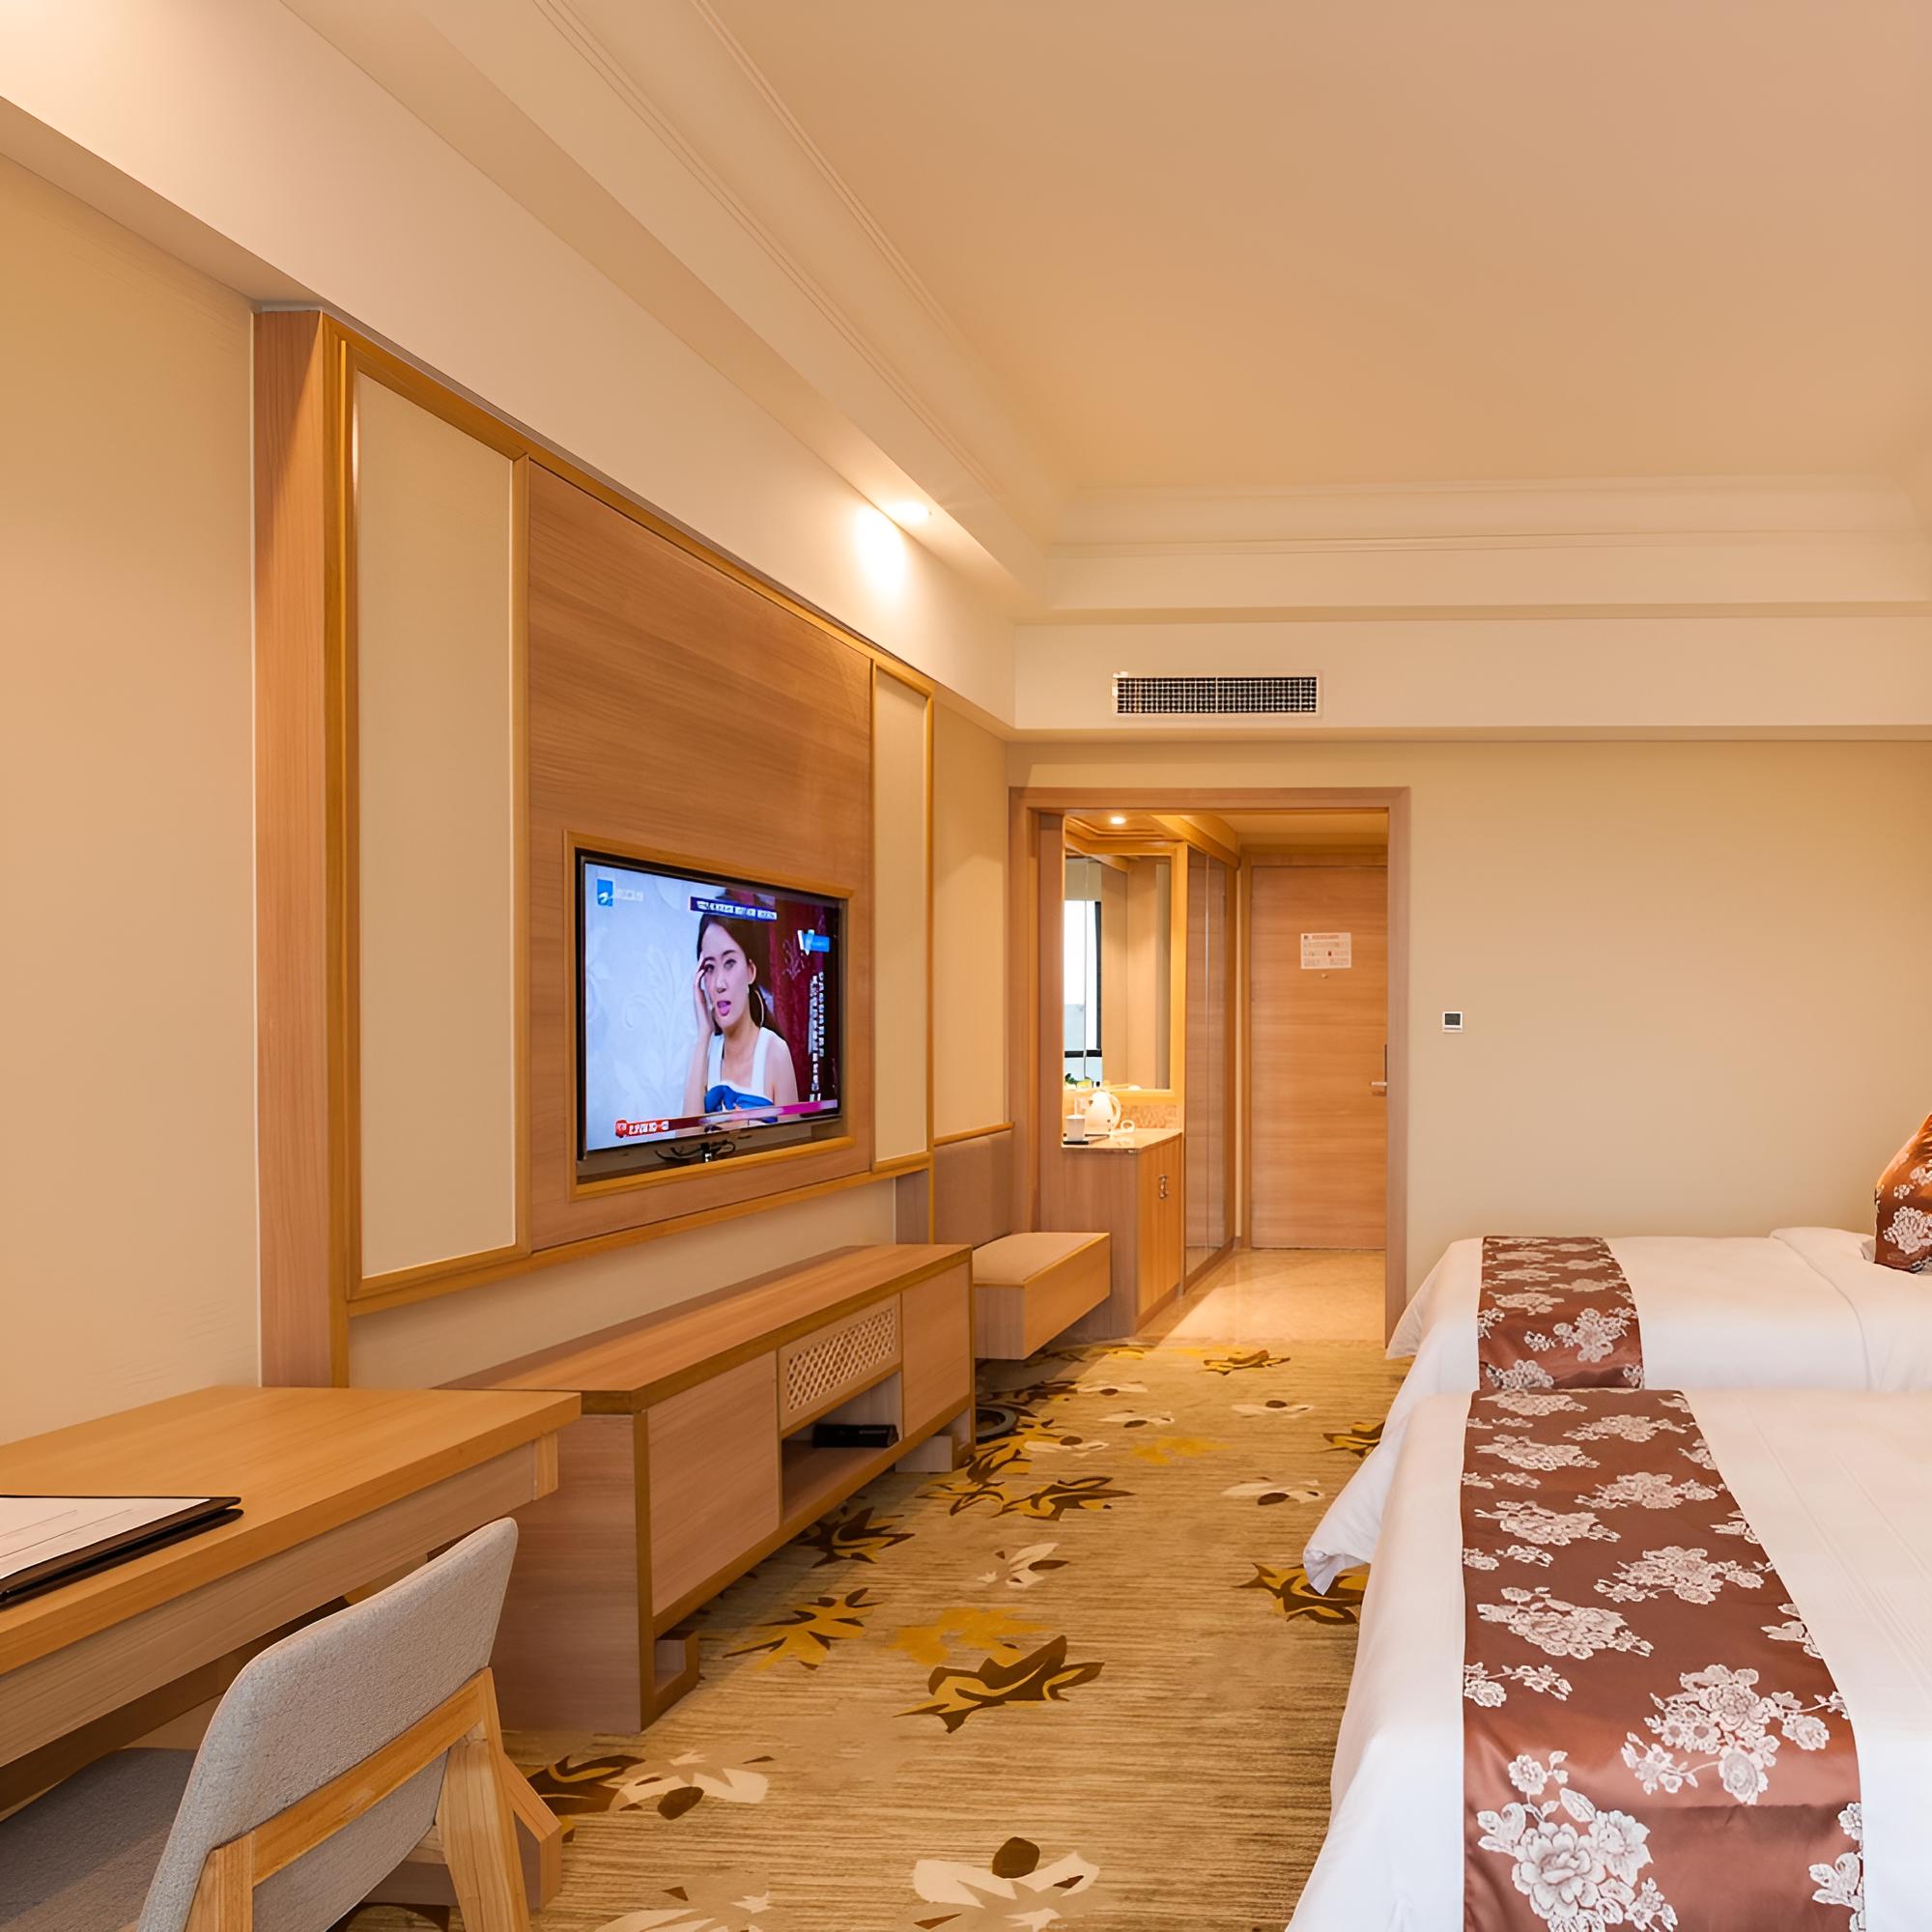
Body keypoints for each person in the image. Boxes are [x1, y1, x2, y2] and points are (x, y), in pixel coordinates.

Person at [680, 906, 800, 1119]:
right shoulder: (704, 1054)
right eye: (709, 968)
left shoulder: (775, 1051)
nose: (719, 984)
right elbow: (684, 1138)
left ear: (750, 971)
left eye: (729, 963)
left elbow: (794, 1138)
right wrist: (704, 1035)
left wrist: (746, 1126)